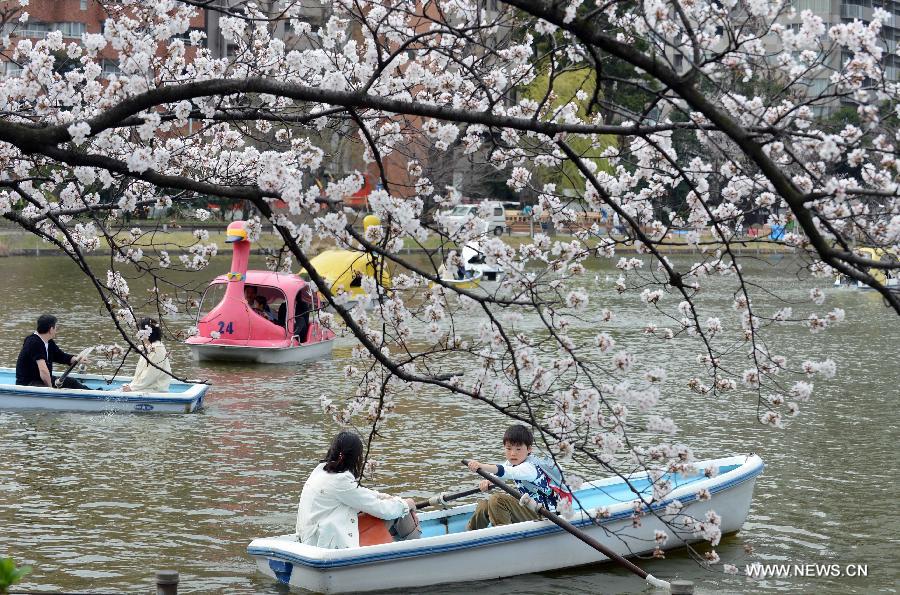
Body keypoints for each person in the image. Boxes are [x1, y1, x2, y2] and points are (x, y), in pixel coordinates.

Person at [295, 431, 418, 549]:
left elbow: (363, 494)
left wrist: (392, 499)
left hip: (312, 539)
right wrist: (406, 505)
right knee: (402, 514)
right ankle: (416, 553)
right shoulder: (340, 480)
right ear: (355, 458)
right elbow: (383, 510)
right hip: (328, 544)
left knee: (398, 508)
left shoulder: (320, 471)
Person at [465, 424, 568, 531]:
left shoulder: (529, 467)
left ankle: (504, 535)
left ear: (529, 449)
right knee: (484, 505)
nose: (513, 454)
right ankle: (468, 535)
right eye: (508, 449)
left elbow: (507, 472)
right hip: (529, 507)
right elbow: (499, 474)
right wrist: (487, 481)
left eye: (518, 449)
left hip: (545, 515)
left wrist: (481, 466)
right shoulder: (512, 462)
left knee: (497, 500)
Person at [15, 314, 91, 390]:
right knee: (47, 388)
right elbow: (43, 371)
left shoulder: (48, 342)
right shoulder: (33, 342)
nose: (56, 331)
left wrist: (77, 359)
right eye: (56, 328)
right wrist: (51, 389)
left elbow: (61, 356)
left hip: (40, 379)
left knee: (71, 382)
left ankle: (95, 393)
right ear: (51, 329)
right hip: (28, 383)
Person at [122, 318, 172, 393]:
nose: (137, 334)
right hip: (145, 386)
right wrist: (132, 385)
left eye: (139, 331)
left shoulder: (157, 348)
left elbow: (151, 374)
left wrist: (132, 387)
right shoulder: (149, 347)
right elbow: (142, 371)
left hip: (154, 389)